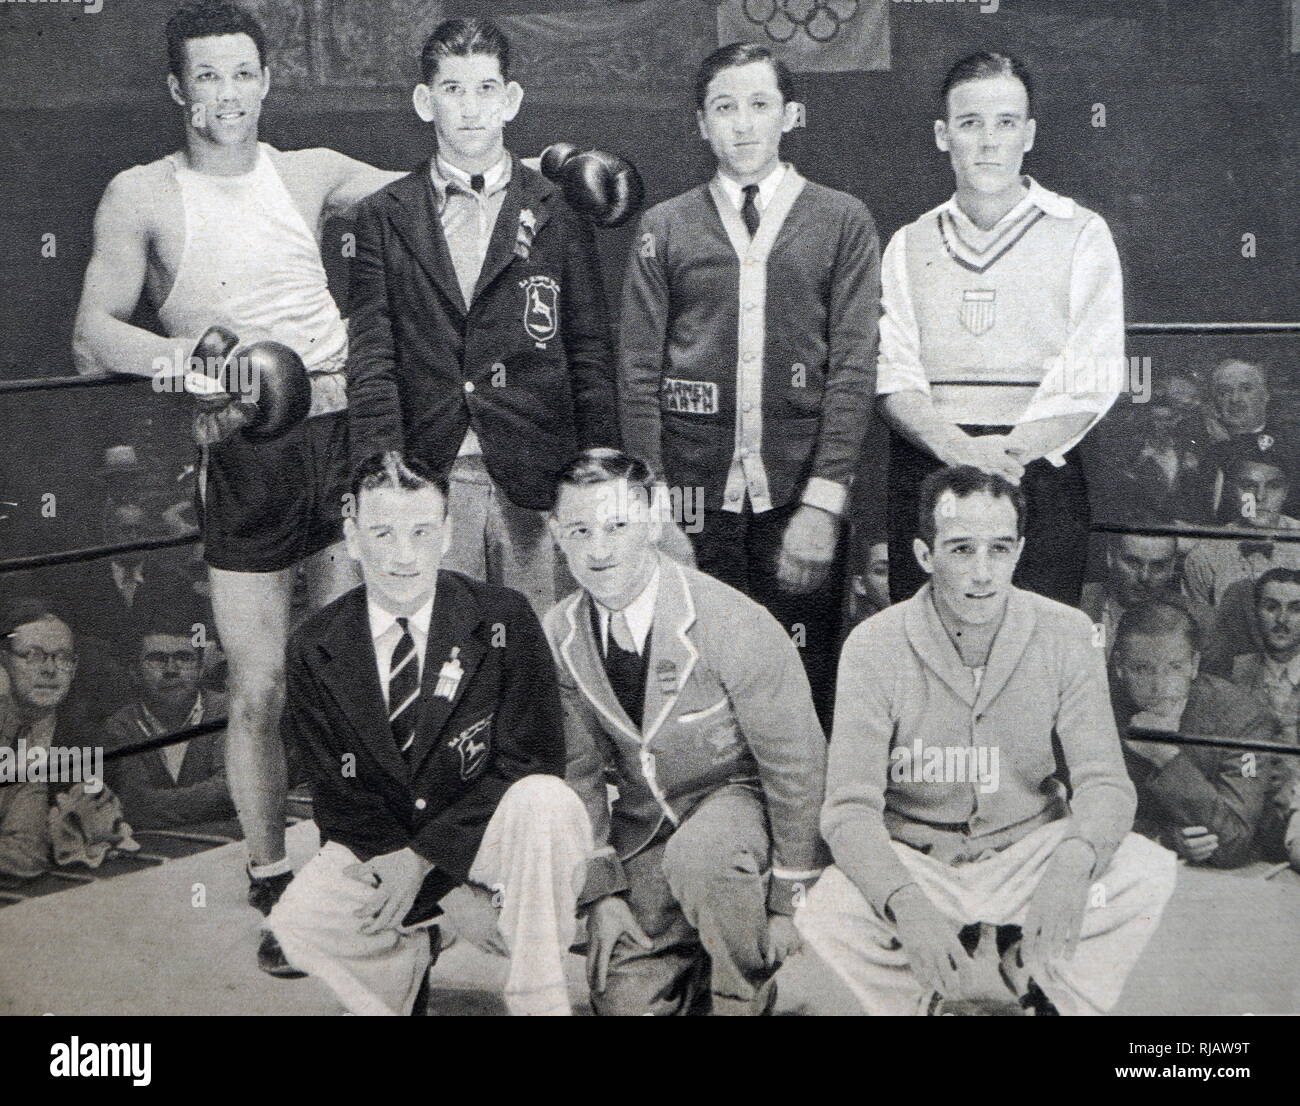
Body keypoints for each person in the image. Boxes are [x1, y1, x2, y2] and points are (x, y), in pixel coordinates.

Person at [69, 0, 405, 974]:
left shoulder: (310, 173)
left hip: (340, 434)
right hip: (244, 454)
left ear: (266, 81)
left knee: (350, 669)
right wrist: (199, 368)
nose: (224, 94)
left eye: (240, 73)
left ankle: (355, 860)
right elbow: (93, 333)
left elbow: (438, 194)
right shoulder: (141, 193)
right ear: (179, 87)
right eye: (204, 76)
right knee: (257, 683)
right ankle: (268, 874)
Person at [796, 466, 1176, 1016]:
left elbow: (1105, 784)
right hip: (920, 858)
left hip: (1029, 852)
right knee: (829, 911)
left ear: (1019, 551)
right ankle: (931, 999)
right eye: (961, 549)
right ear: (925, 556)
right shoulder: (872, 645)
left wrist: (1074, 863)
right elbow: (848, 811)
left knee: (1144, 873)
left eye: (999, 549)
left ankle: (1031, 986)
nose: (982, 573)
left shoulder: (1066, 632)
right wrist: (906, 903)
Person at [267, 453, 592, 1016]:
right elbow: (339, 798)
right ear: (352, 537)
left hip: (485, 836)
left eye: (421, 532)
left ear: (446, 534)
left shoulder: (503, 617)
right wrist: (430, 889)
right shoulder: (314, 643)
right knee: (297, 924)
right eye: (382, 533)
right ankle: (414, 952)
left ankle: (539, 995)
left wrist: (435, 871)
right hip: (386, 843)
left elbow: (532, 761)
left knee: (548, 803)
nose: (402, 555)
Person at [618, 42, 880, 723]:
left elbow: (853, 369)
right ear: (700, 123)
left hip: (796, 500)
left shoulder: (842, 220)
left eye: (760, 105)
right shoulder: (665, 227)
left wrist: (823, 508)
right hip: (692, 501)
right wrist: (659, 512)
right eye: (724, 107)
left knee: (799, 686)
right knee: (692, 686)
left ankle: (795, 828)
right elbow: (639, 375)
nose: (743, 124)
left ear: (791, 115)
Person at [347, 17, 628, 619]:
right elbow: (373, 357)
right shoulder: (381, 217)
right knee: (443, 657)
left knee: (546, 654)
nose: (471, 109)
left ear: (511, 99)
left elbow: (588, 349)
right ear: (426, 102)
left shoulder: (560, 208)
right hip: (431, 475)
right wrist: (382, 472)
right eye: (452, 89)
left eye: (485, 89)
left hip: (540, 473)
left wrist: (602, 464)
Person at [543, 448, 827, 1015]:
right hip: (646, 831)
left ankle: (741, 986)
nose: (598, 549)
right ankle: (693, 954)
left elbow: (799, 764)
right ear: (555, 532)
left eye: (618, 525)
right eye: (580, 529)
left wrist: (786, 905)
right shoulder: (559, 632)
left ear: (653, 521)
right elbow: (576, 777)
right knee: (622, 1001)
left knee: (704, 857)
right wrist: (603, 893)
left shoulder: (732, 620)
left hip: (735, 819)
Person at [877, 52, 1124, 607]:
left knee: (1034, 660)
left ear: (1029, 133)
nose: (988, 141)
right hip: (930, 469)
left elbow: (1095, 375)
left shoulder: (1081, 232)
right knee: (928, 654)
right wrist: (960, 450)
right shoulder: (909, 242)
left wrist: (1004, 455)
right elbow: (894, 375)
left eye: (1005, 123)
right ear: (943, 135)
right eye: (970, 124)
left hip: (1037, 475)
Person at [1112, 598, 1283, 869]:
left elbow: (1234, 841)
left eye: (1175, 667)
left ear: (1194, 664)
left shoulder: (1244, 720)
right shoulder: (1100, 707)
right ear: (1120, 667)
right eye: (1142, 669)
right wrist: (1165, 839)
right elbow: (1078, 815)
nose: (1160, 686)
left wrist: (1167, 757)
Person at [103, 599, 236, 832]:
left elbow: (232, 789)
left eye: (184, 658)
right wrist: (211, 800)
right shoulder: (120, 727)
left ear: (200, 668)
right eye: (157, 659)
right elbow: (134, 803)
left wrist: (157, 806)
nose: (172, 670)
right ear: (135, 671)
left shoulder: (227, 711)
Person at [1182, 440, 1300, 608]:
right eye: (1249, 486)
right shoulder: (1205, 555)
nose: (1260, 497)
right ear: (1231, 491)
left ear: (1286, 492)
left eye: (1273, 486)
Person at [1079, 533, 1213, 661]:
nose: (1144, 576)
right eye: (1133, 563)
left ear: (1172, 567)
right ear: (1110, 557)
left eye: (1158, 566)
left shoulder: (1201, 622)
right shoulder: (1077, 603)